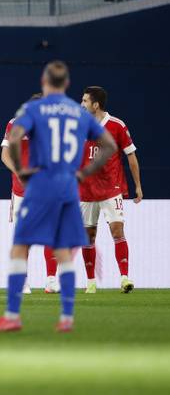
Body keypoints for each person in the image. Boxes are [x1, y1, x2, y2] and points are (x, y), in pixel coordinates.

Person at [0, 61, 117, 334]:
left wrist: (22, 170)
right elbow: (110, 145)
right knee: (63, 250)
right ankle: (67, 317)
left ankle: (12, 315)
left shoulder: (34, 108)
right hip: (68, 185)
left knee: (20, 246)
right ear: (66, 84)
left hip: (41, 184)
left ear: (45, 82)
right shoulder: (77, 113)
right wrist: (84, 173)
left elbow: (17, 136)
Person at [79, 86, 142, 294]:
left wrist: (138, 186)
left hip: (111, 188)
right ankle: (90, 282)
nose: (81, 104)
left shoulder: (116, 125)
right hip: (86, 190)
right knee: (88, 236)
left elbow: (131, 156)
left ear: (95, 105)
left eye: (85, 101)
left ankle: (124, 278)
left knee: (117, 229)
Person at [1, 93, 60, 295]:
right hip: (21, 190)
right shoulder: (15, 124)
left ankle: (51, 280)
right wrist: (18, 172)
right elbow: (4, 155)